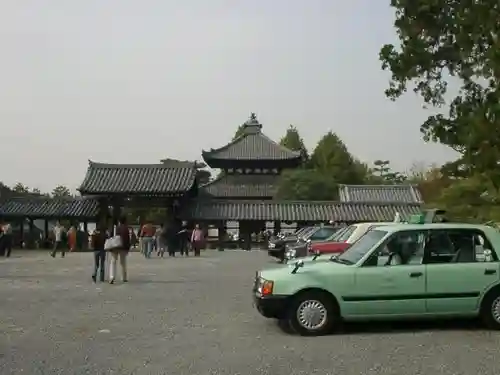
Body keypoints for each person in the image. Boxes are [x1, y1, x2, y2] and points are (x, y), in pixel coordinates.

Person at [109, 217, 130, 284]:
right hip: (123, 247)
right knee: (123, 263)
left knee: (113, 262)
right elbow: (127, 239)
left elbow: (110, 237)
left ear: (119, 221)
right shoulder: (126, 229)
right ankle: (124, 277)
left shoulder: (115, 228)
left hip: (115, 247)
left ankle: (112, 277)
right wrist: (127, 248)